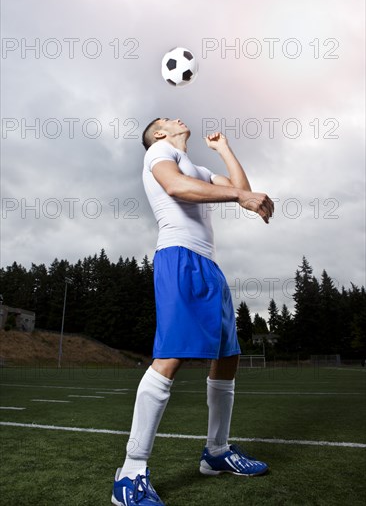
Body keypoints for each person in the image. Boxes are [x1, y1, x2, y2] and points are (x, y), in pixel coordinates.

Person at [112, 118, 274, 506]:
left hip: (208, 265)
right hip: (179, 257)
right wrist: (238, 198)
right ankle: (130, 473)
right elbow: (176, 187)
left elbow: (243, 191)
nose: (176, 119)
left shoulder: (197, 168)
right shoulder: (160, 152)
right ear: (160, 135)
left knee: (228, 357)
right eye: (167, 120)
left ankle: (216, 453)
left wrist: (223, 150)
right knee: (170, 358)